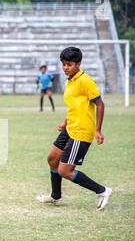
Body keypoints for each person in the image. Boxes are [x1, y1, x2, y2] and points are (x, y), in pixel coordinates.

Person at [37, 47, 112, 211]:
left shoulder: (85, 81)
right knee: (52, 159)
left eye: (69, 64)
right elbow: (75, 106)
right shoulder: (69, 80)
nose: (65, 67)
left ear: (78, 64)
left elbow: (99, 104)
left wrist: (97, 130)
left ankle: (102, 191)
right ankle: (55, 196)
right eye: (63, 64)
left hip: (81, 132)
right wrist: (65, 122)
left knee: (65, 170)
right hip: (70, 127)